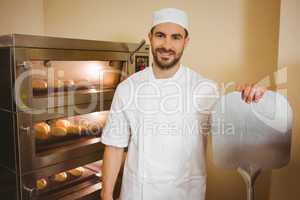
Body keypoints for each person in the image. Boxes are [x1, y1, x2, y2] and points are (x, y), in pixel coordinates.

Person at [100, 8, 266, 200]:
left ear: (186, 42)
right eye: (160, 35)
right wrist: (106, 195)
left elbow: (236, 133)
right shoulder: (127, 88)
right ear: (150, 38)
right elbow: (114, 145)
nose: (167, 44)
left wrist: (252, 99)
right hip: (138, 192)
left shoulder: (206, 89)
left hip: (186, 192)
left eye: (176, 37)